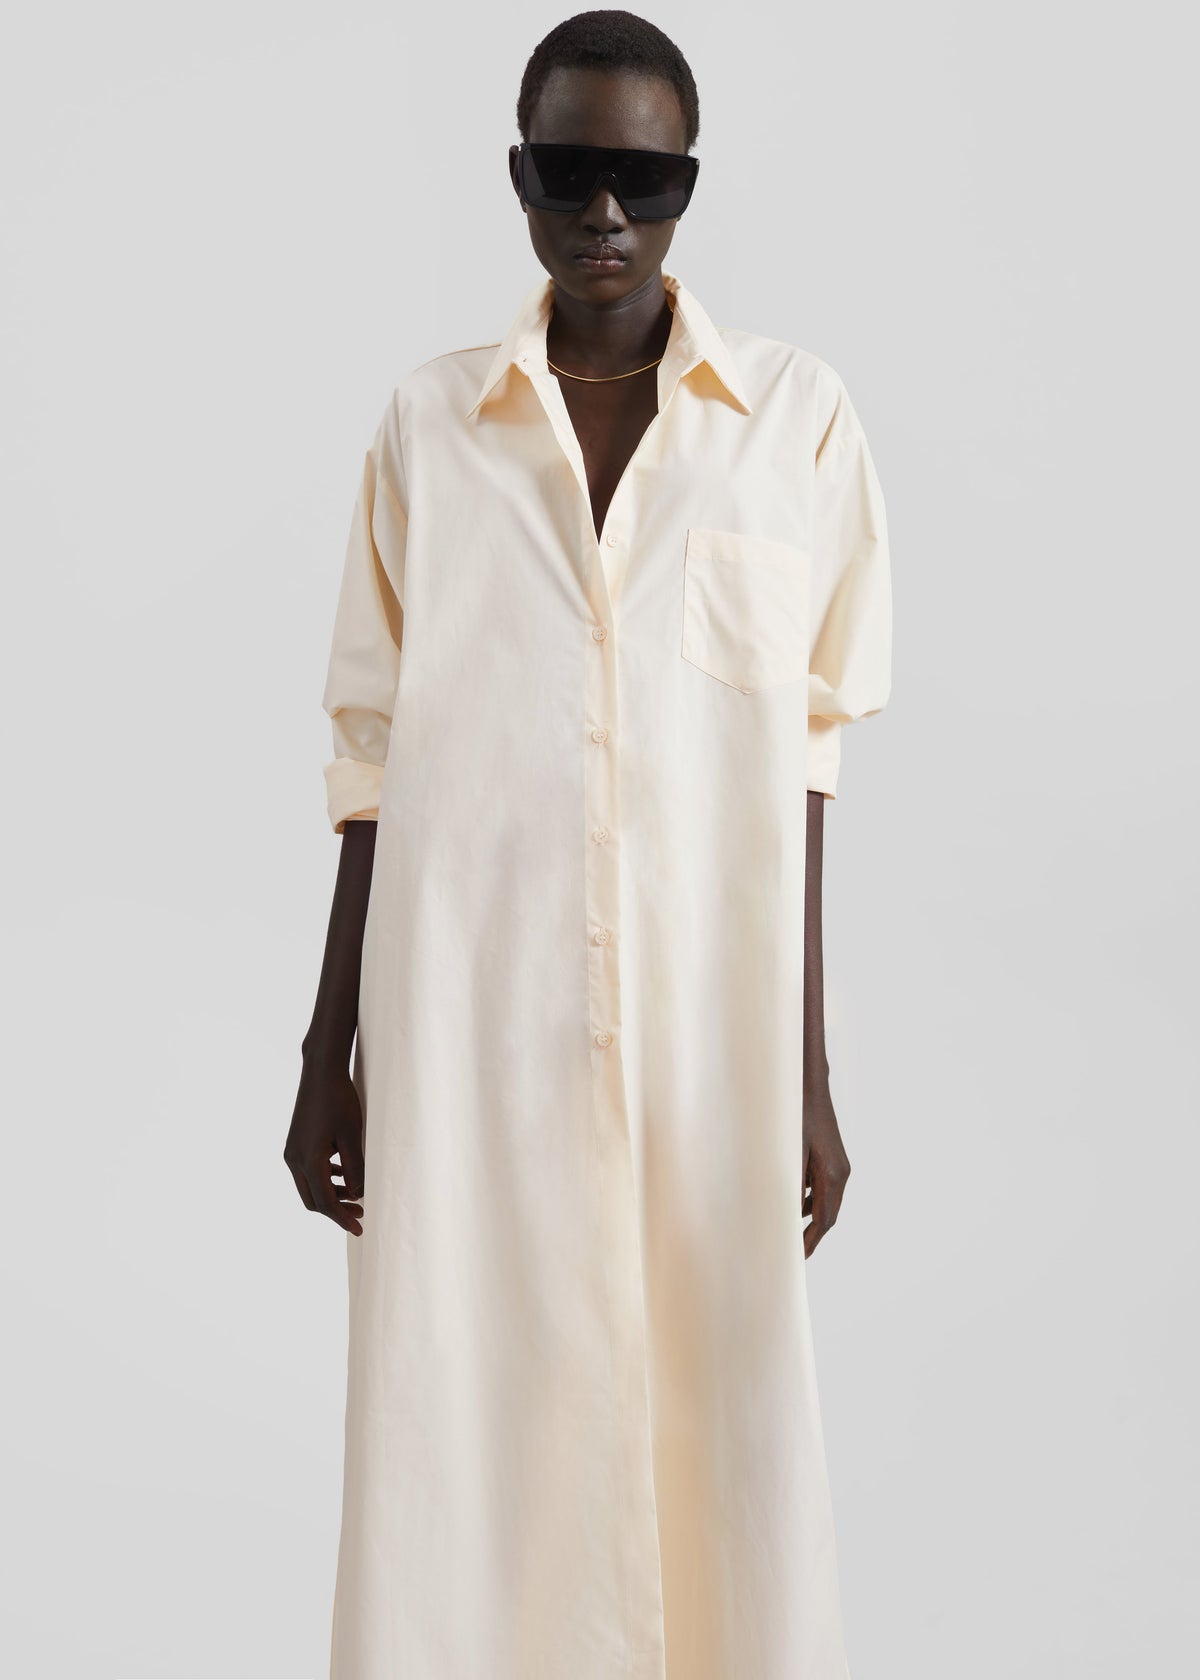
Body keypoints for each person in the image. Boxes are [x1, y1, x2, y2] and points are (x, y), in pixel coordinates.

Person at [284, 10, 892, 1678]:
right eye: (566, 170)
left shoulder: (796, 423)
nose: (604, 210)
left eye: (644, 176)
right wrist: (329, 1047)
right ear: (519, 175)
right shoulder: (431, 428)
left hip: (710, 1021)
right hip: (465, 1009)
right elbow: (370, 755)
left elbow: (808, 759)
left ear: (689, 182)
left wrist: (804, 1068)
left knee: (723, 1411)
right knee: (461, 1403)